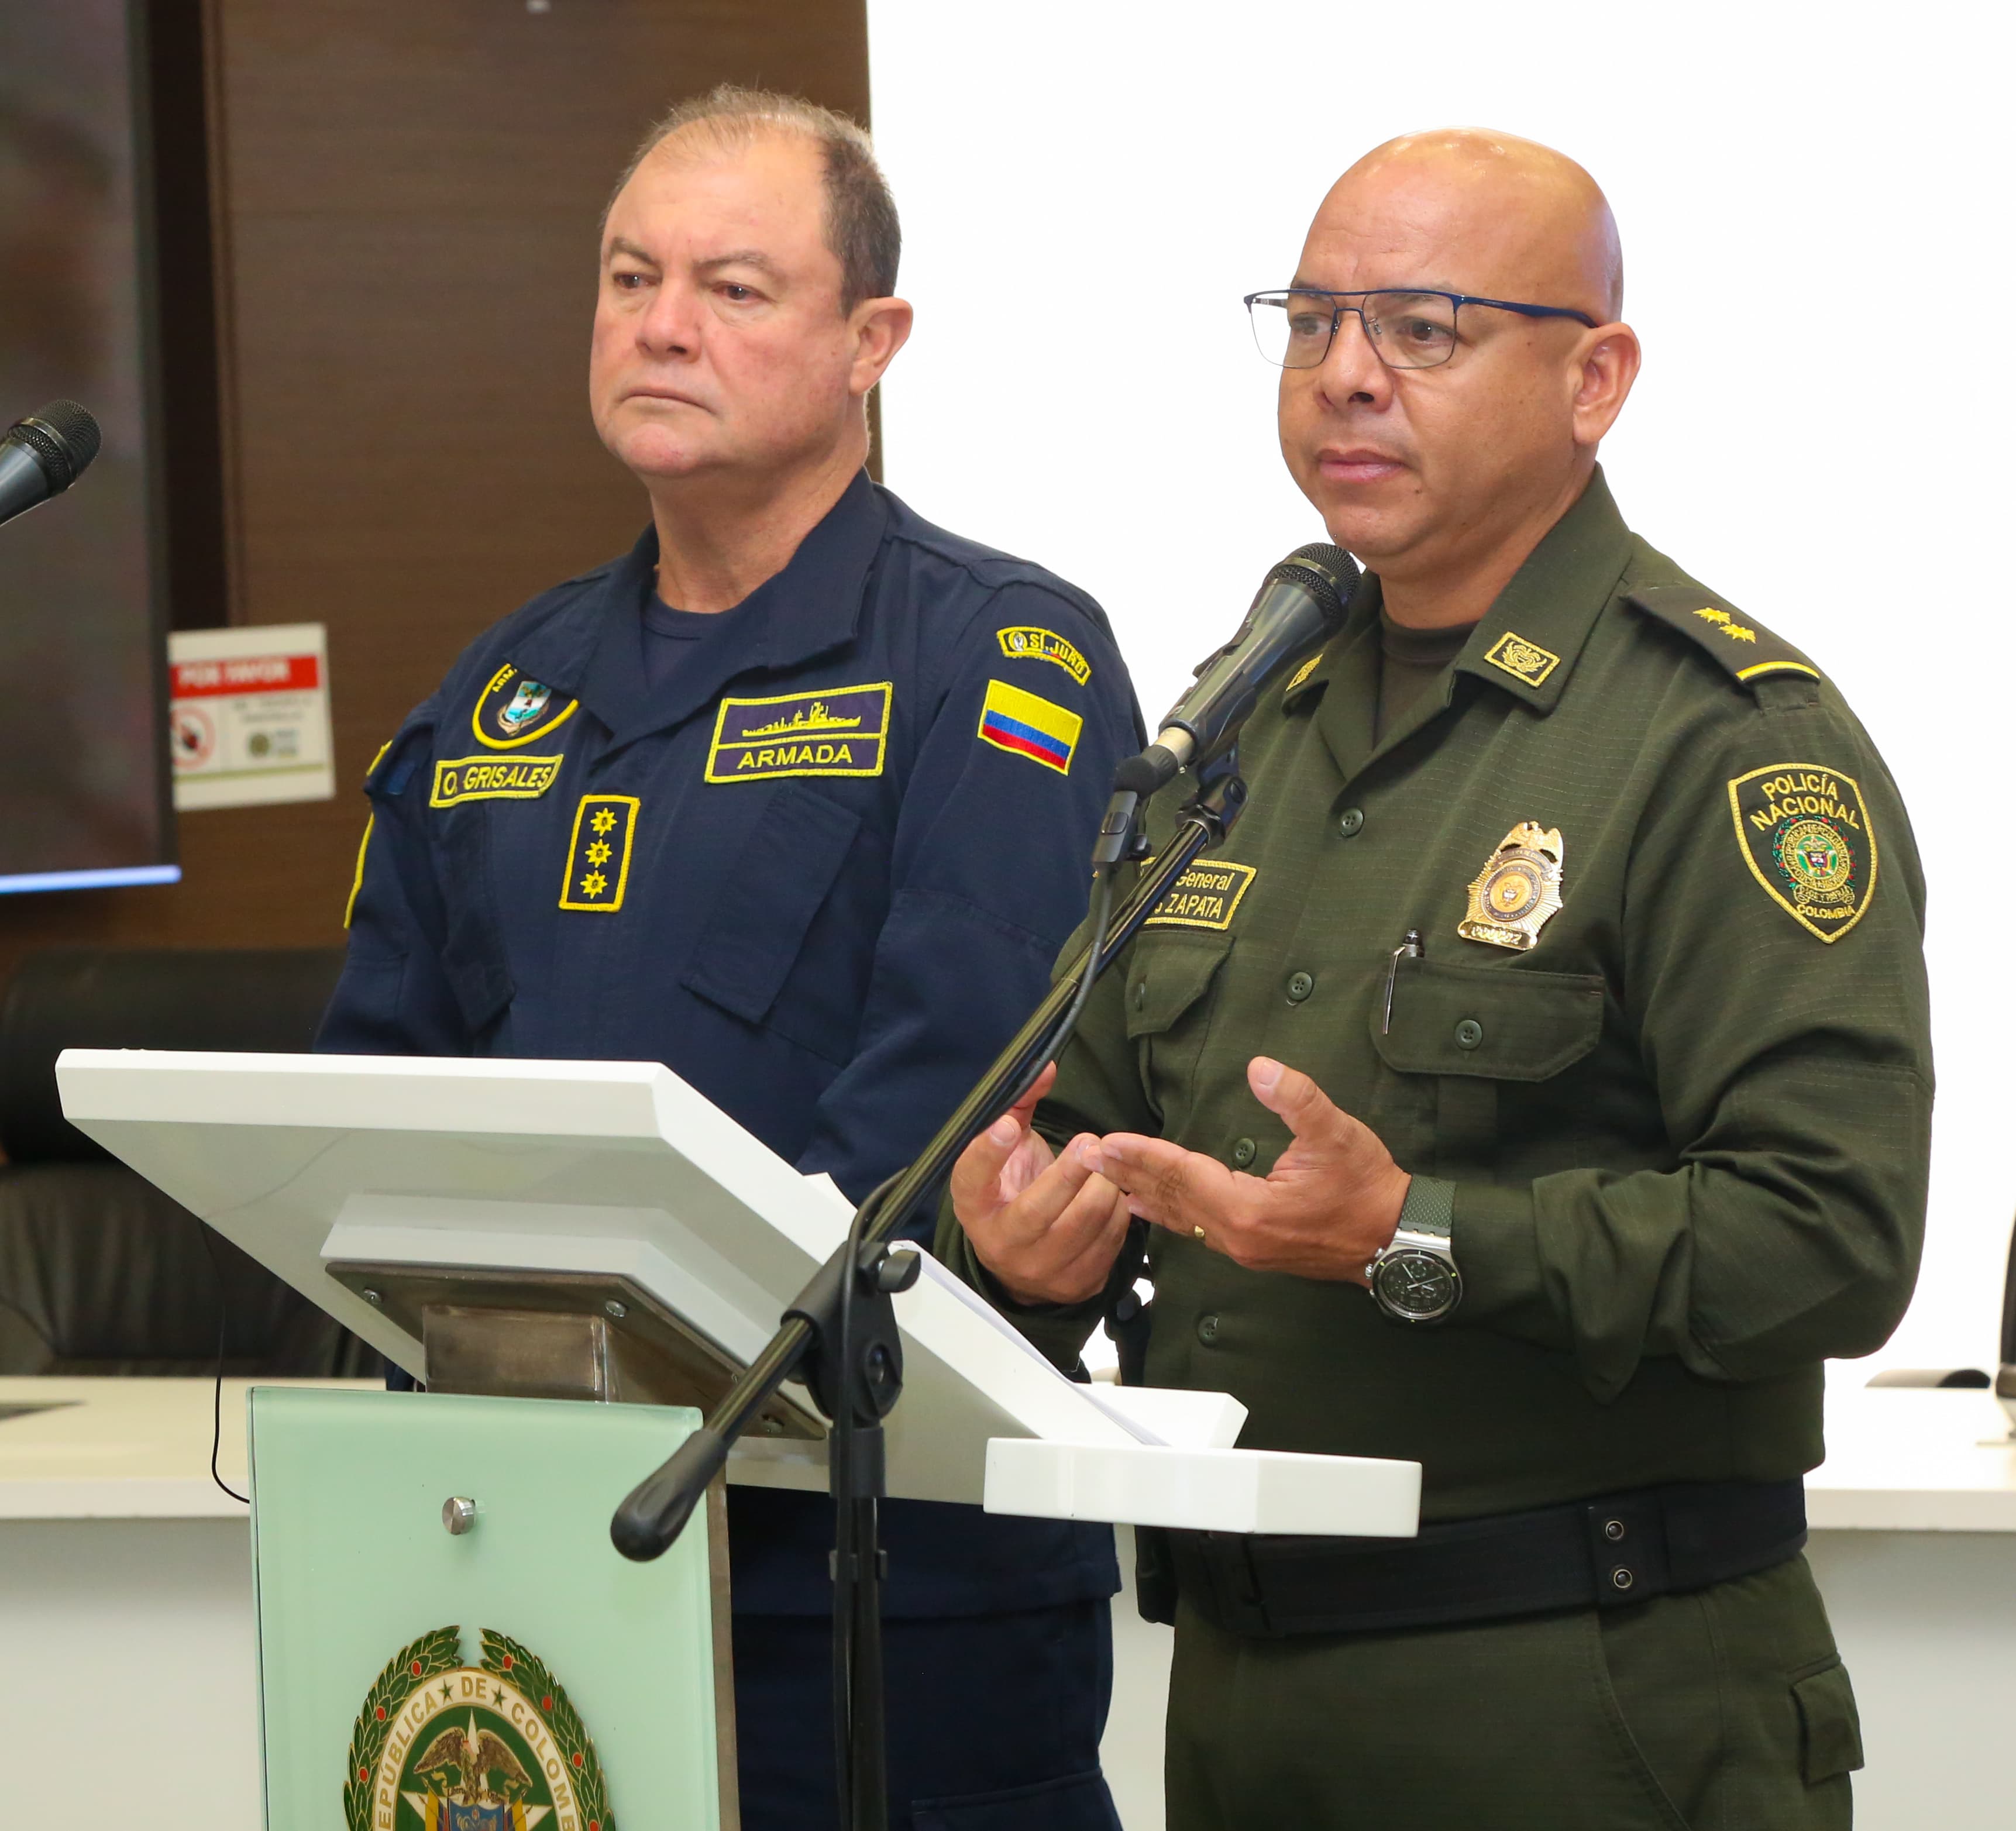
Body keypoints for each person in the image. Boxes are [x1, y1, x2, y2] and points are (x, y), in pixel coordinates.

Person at [941, 128, 1931, 1829]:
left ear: (1593, 377)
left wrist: (1411, 1232)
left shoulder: (1723, 736)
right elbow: (1086, 1132)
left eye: (1422, 329)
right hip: (1249, 1705)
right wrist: (1021, 1252)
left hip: (1587, 1694)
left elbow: (1831, 1240)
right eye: (1312, 320)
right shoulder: (1237, 731)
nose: (1343, 378)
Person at [321, 86, 1140, 1831]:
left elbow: (948, 1102)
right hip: (540, 1560)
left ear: (871, 342)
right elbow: (372, 1107)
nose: (661, 325)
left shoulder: (996, 655)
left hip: (880, 1587)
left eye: (733, 288)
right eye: (629, 279)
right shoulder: (499, 690)